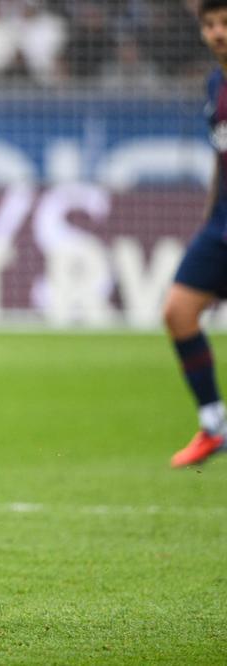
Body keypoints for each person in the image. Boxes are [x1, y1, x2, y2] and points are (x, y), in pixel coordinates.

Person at [166, 0, 227, 467]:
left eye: (225, 22)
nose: (218, 32)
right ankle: (214, 424)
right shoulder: (216, 82)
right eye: (210, 24)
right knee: (179, 312)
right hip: (221, 222)